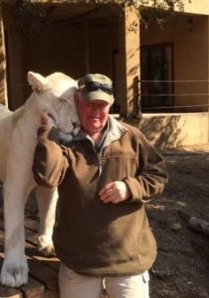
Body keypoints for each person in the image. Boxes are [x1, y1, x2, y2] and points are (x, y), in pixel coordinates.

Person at [32, 73, 169, 298]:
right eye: (89, 103)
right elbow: (46, 178)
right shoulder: (63, 141)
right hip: (79, 262)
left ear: (111, 104)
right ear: (77, 101)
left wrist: (130, 188)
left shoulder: (131, 137)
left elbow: (158, 175)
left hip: (128, 261)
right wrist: (47, 133)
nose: (96, 111)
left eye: (102, 104)